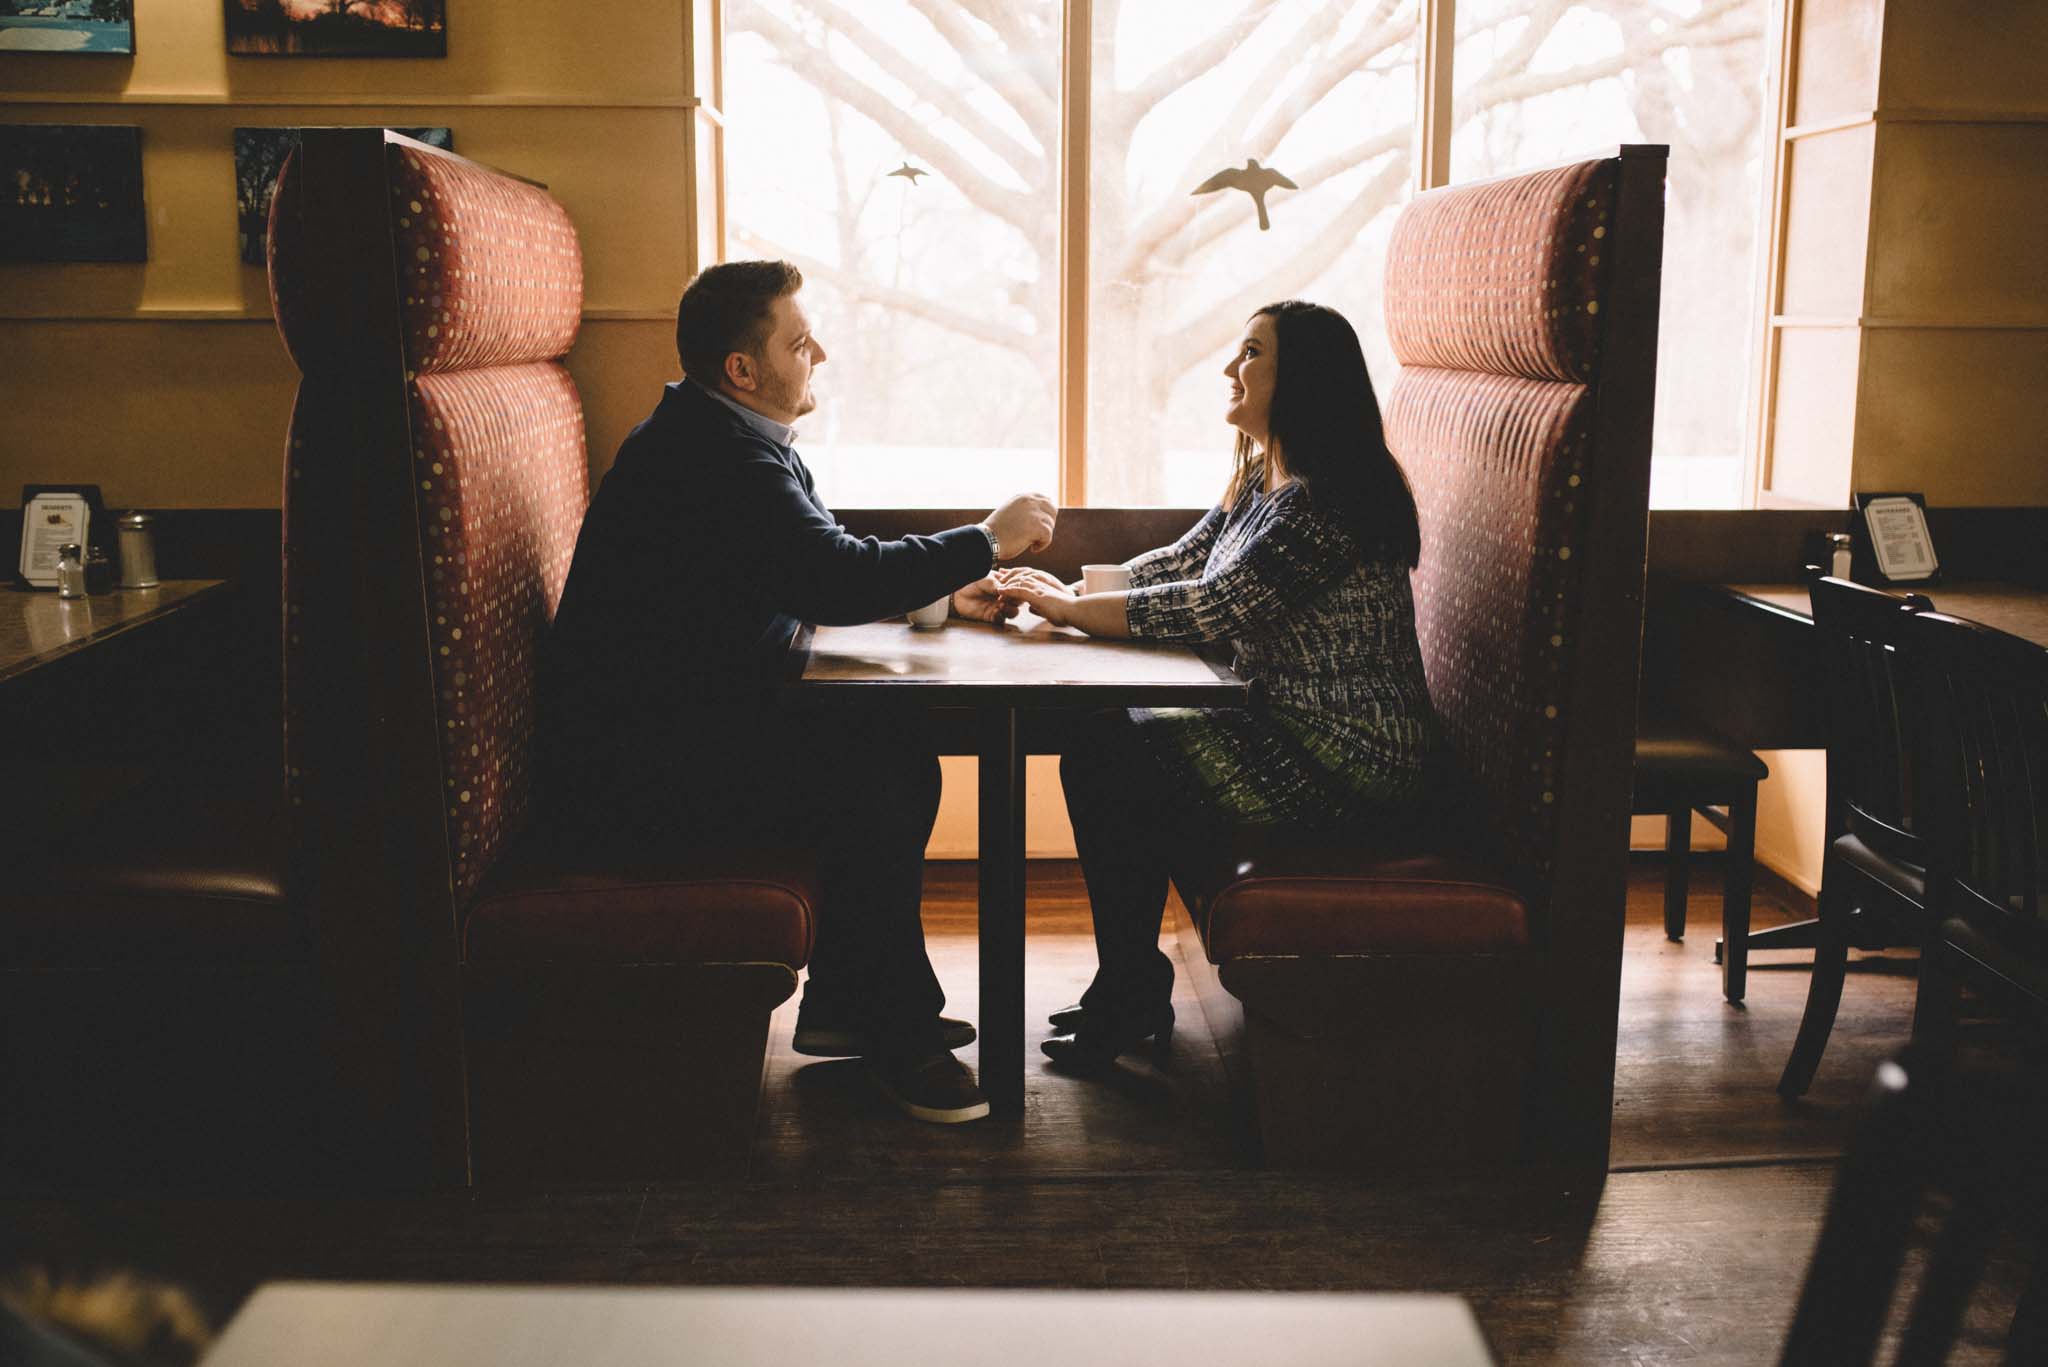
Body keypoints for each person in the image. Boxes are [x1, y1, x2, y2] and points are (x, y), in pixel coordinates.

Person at [542, 260, 1056, 1124]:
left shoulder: (722, 437)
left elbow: (802, 563)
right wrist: (986, 540)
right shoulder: (716, 455)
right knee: (881, 769)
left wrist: (937, 595)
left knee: (886, 749)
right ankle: (892, 1027)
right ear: (743, 369)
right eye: (798, 340)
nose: (817, 352)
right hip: (637, 775)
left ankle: (857, 1004)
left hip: (671, 730)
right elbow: (829, 571)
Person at [998, 299, 1436, 1072]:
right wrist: (1061, 592)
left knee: (1109, 751)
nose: (1231, 370)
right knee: (1108, 739)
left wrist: (1069, 608)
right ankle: (1130, 986)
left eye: (1251, 354)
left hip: (1349, 761)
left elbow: (1211, 604)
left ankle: (1131, 990)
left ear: (1301, 378)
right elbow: (1180, 562)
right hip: (1287, 727)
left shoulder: (1322, 505)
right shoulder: (1262, 478)